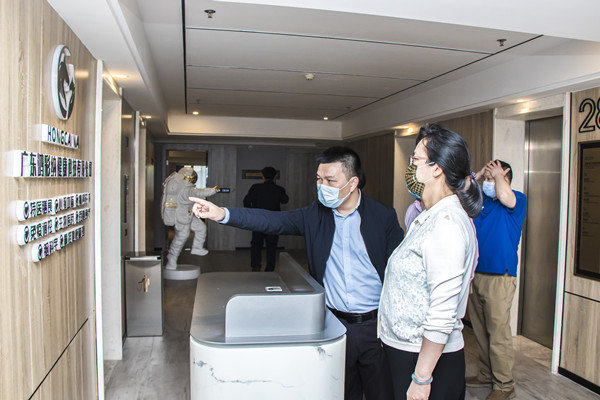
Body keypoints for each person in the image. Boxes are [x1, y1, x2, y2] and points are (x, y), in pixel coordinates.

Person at [190, 146, 404, 400]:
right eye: (319, 179)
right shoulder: (315, 215)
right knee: (343, 392)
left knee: (382, 392)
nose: (322, 186)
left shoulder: (383, 216)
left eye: (330, 181)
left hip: (376, 327)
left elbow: (399, 274)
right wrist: (222, 214)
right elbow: (272, 220)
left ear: (353, 182)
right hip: (334, 325)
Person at [378, 124, 482, 400]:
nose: (411, 165)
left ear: (437, 169)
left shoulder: (446, 223)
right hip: (409, 351)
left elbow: (443, 310)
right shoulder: (430, 215)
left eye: (416, 159)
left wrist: (421, 378)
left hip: (425, 360)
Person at [466, 160, 526, 400]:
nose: (488, 183)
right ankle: (485, 375)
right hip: (477, 274)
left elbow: (505, 196)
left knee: (498, 334)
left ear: (505, 176)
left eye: (492, 178)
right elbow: (460, 192)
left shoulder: (517, 199)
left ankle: (504, 384)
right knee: (480, 331)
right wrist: (479, 175)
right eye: (487, 179)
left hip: (500, 277)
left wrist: (498, 176)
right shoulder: (482, 202)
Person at [161, 167, 218, 270]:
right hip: (181, 218)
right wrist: (214, 190)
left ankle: (197, 248)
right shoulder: (186, 190)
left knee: (201, 228)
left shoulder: (184, 188)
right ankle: (172, 258)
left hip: (188, 215)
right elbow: (200, 193)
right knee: (181, 237)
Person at [243, 166, 289, 271]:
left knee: (256, 244)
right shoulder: (279, 189)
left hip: (258, 220)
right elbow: (285, 200)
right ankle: (269, 269)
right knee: (271, 246)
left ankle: (256, 266)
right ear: (274, 176)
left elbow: (246, 201)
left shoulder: (255, 187)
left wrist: (252, 213)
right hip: (274, 222)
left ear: (262, 176)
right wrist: (275, 184)